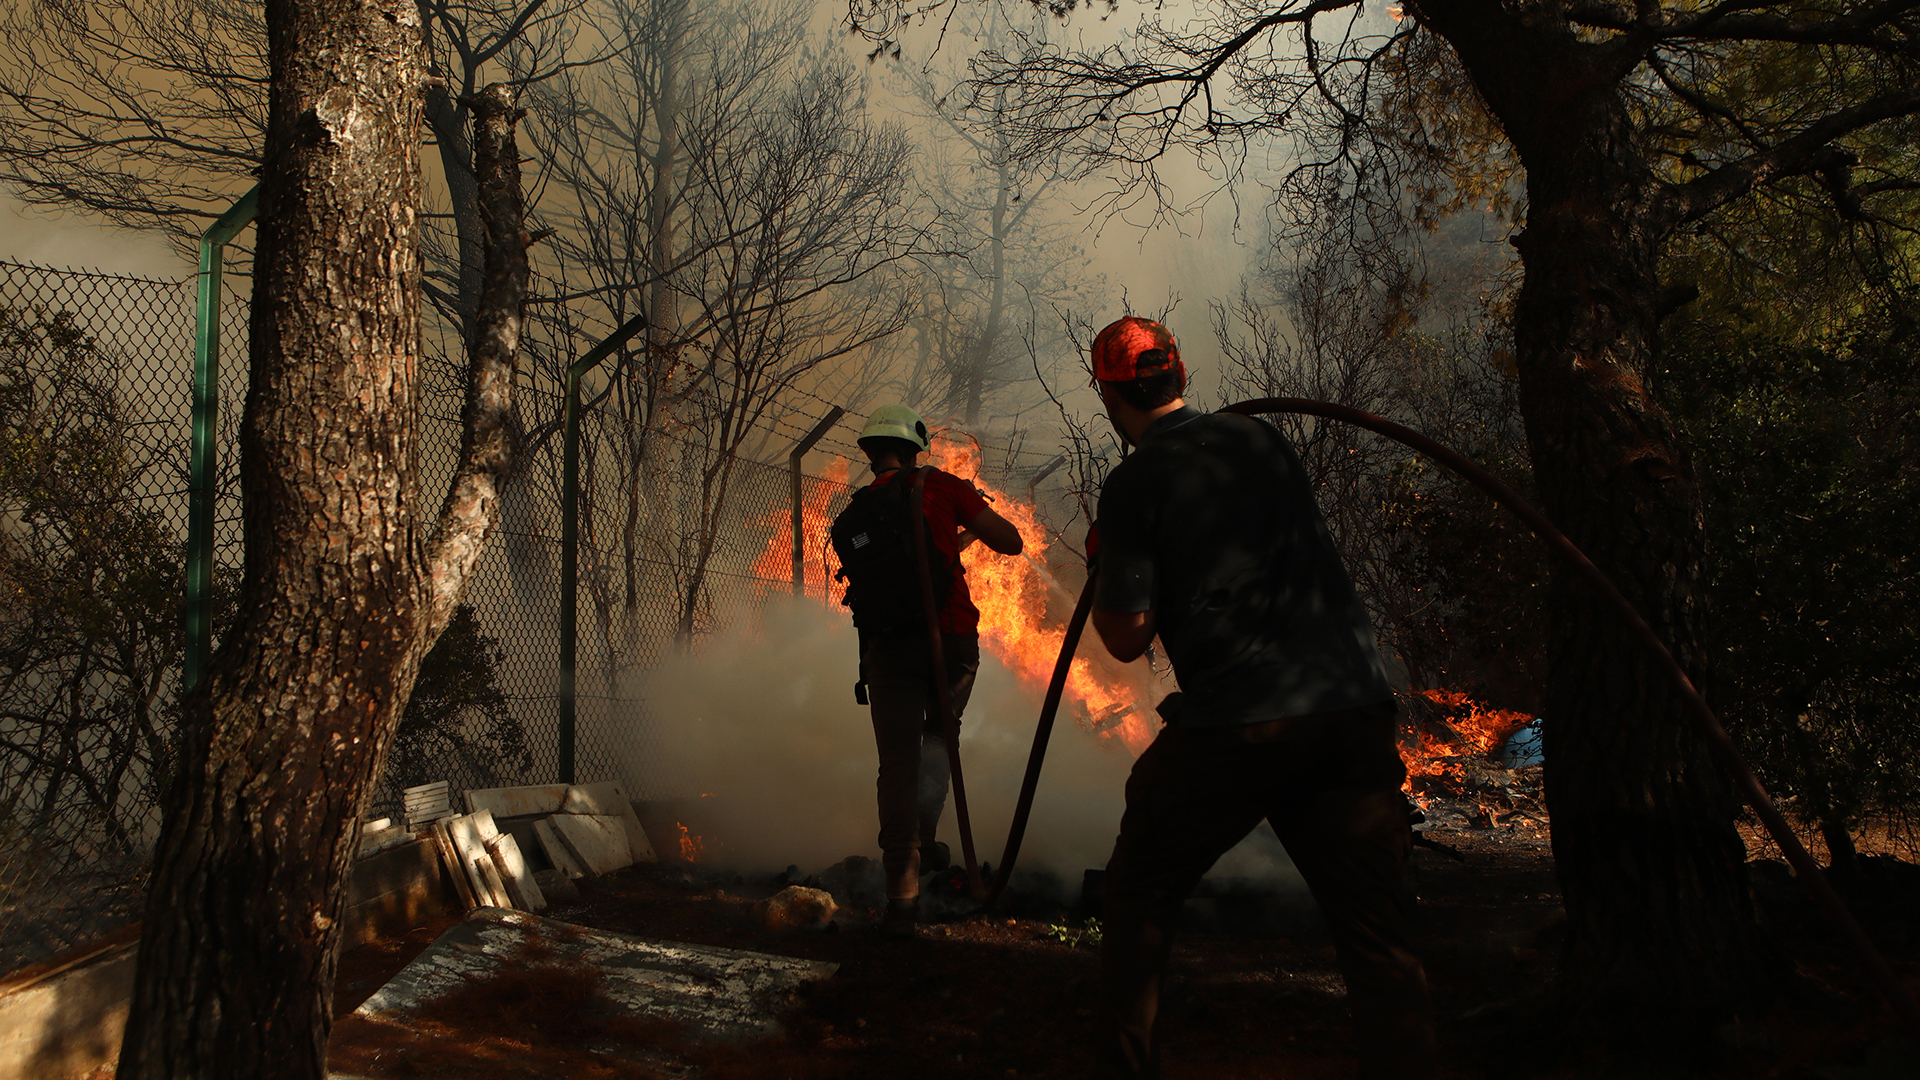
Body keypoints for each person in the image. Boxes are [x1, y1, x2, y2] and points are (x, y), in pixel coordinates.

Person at [1083, 318, 1435, 1078]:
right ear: (1178, 374)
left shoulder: (1136, 481)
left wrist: (1107, 560)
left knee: (1139, 891)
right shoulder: (1261, 441)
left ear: (1109, 394)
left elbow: (1125, 637)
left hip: (1240, 725)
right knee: (1375, 929)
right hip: (1347, 708)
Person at [849, 404, 1023, 938]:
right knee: (938, 740)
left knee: (896, 762)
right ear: (914, 446)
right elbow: (1010, 542)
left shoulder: (857, 511)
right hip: (949, 641)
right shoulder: (942, 487)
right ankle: (926, 842)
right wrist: (968, 522)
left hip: (887, 650)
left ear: (872, 452)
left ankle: (901, 891)